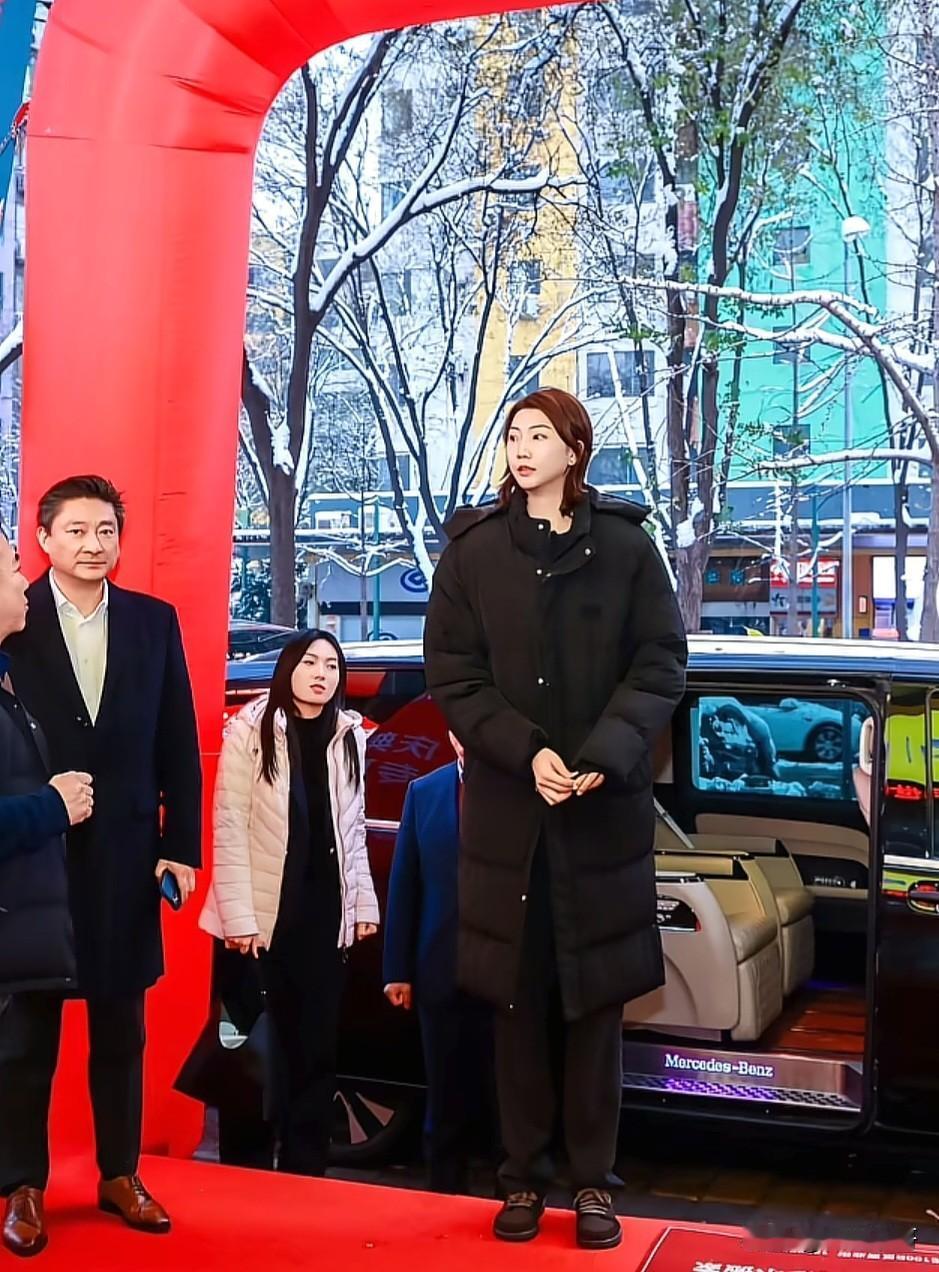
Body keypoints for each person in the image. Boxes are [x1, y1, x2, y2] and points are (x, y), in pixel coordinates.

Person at [423, 387, 687, 1251]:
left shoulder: (626, 546)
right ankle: (521, 1178)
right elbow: (453, 673)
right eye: (512, 435)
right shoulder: (473, 552)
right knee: (516, 1006)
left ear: (574, 449)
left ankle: (593, 1183)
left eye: (538, 435)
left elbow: (659, 662)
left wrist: (603, 753)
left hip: (600, 817)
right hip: (510, 814)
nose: (521, 448)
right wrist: (524, 749)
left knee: (594, 1010)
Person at [1, 476, 202, 1243]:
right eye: (77, 530)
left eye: (106, 530)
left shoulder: (153, 621)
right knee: (26, 1037)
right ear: (44, 539)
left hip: (126, 853)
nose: (93, 545)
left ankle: (120, 1173)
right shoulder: (13, 619)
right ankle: (22, 1185)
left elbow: (178, 739)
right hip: (36, 856)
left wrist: (180, 846)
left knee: (123, 1029)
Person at [200, 630, 379, 1177]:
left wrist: (363, 906)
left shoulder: (349, 736)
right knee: (253, 1054)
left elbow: (353, 831)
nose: (322, 674)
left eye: (332, 665)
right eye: (310, 663)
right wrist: (239, 919)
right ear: (288, 669)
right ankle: (246, 1171)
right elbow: (229, 827)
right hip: (258, 922)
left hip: (324, 921)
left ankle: (306, 1173)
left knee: (315, 1053)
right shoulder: (250, 730)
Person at [383, 731, 495, 1195]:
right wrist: (397, 970)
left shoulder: (520, 791)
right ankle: (443, 1192)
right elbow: (405, 883)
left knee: (502, 1096)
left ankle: (507, 1194)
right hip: (438, 968)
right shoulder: (424, 791)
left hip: (504, 974)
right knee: (444, 1095)